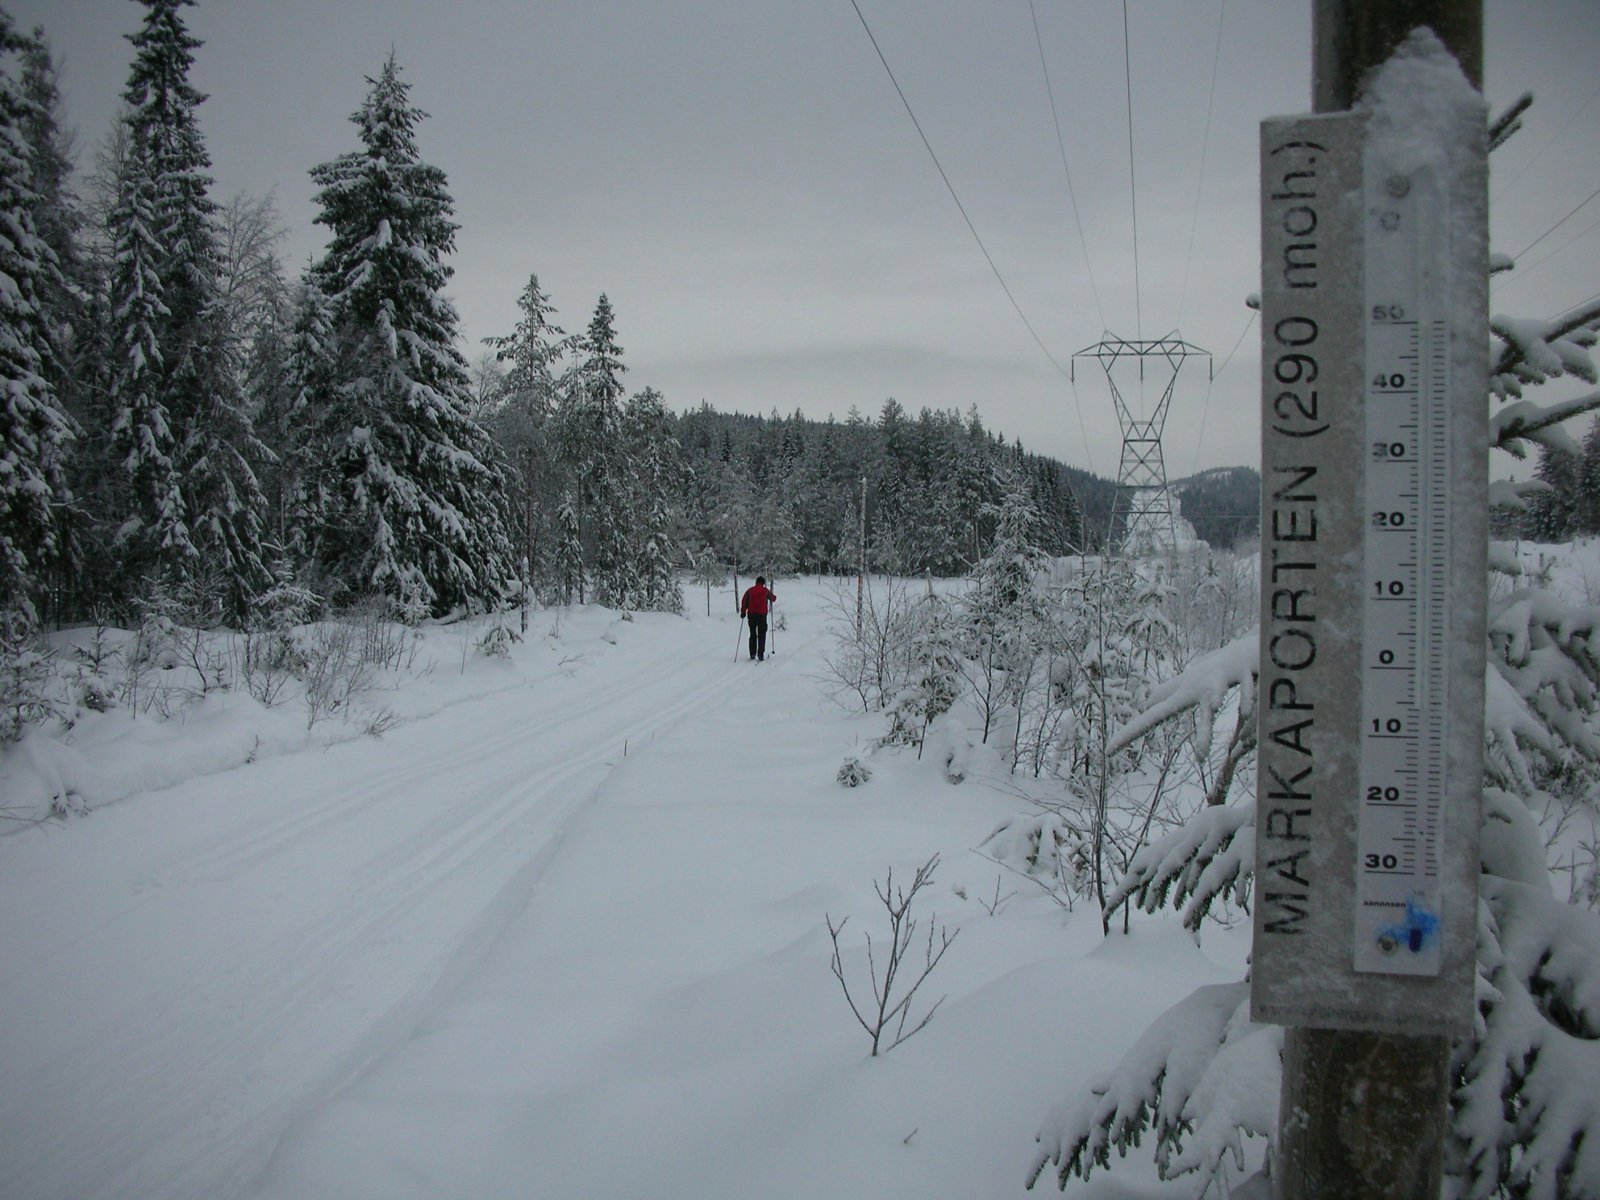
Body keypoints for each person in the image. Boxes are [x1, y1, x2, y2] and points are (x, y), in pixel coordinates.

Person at [740, 576, 776, 661]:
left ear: (756, 582)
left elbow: (744, 601)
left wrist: (743, 612)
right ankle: (760, 654)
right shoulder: (765, 591)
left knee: (752, 634)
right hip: (762, 615)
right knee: (761, 635)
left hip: (751, 615)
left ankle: (752, 654)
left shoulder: (750, 590)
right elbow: (773, 598)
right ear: (763, 583)